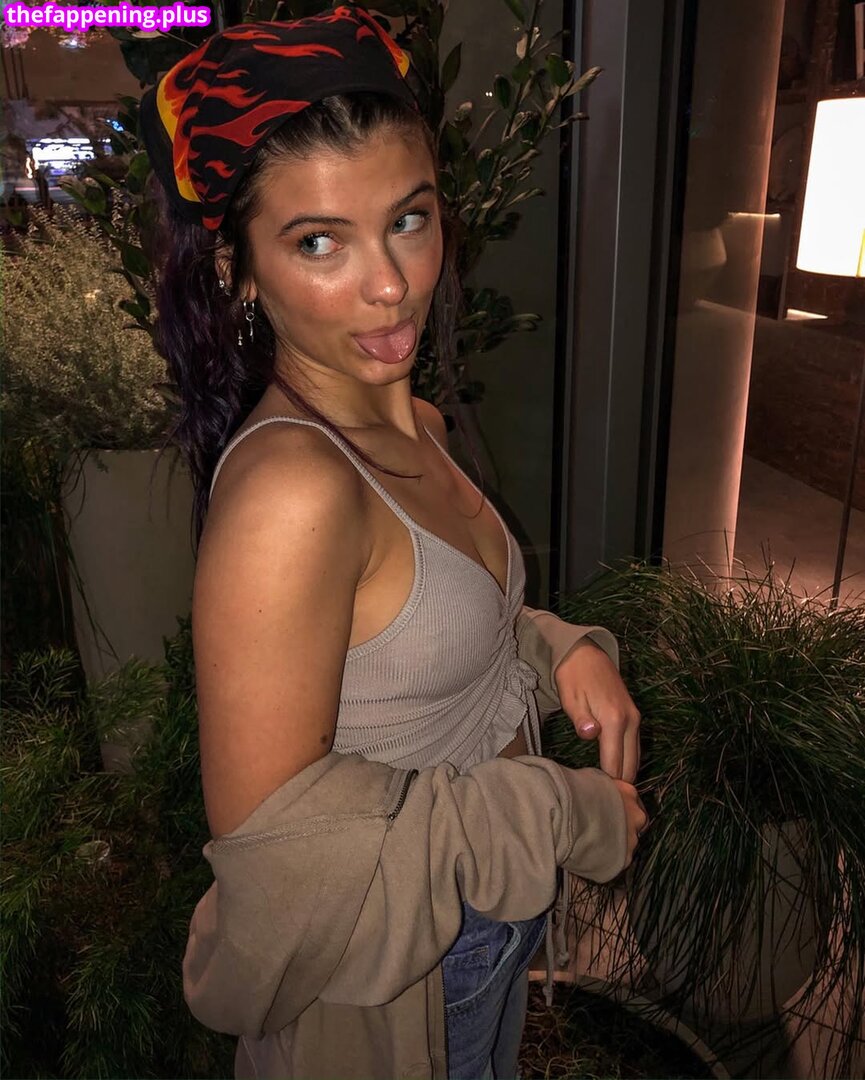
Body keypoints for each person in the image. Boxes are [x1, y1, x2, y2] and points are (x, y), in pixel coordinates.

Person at [139, 6, 647, 1078]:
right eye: (318, 241)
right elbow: (284, 860)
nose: (391, 283)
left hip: (478, 930)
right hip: (401, 981)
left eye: (408, 219)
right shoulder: (294, 492)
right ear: (236, 268)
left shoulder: (407, 417)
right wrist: (554, 810)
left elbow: (417, 630)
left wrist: (555, 646)